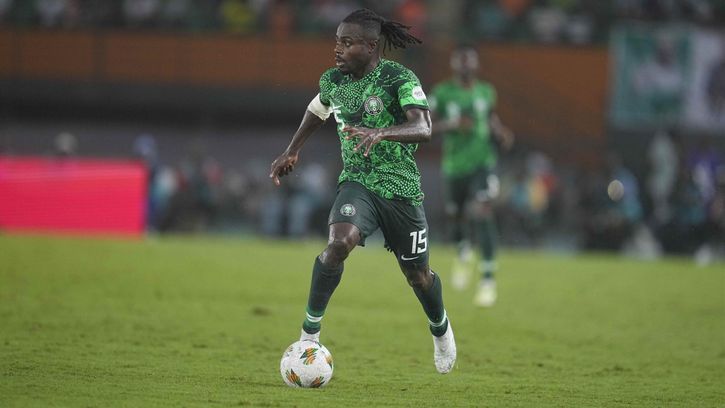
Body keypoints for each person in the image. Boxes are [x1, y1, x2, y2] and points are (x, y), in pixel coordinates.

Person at [269, 8, 456, 374]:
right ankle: (309, 336)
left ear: (371, 47)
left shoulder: (398, 78)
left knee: (418, 276)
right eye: (337, 41)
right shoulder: (333, 80)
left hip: (401, 188)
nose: (337, 49)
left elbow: (424, 127)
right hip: (358, 182)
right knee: (339, 243)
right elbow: (317, 109)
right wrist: (292, 149)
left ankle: (441, 330)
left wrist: (381, 132)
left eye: (347, 42)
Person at [428, 45, 514, 307]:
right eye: (461, 61)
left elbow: (490, 117)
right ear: (454, 65)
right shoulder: (442, 93)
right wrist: (451, 125)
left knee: (483, 211)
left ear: (476, 65)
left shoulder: (486, 91)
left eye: (470, 61)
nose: (466, 65)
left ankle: (487, 281)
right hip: (454, 166)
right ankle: (462, 253)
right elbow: (425, 124)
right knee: (456, 216)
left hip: (482, 163)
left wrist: (500, 131)